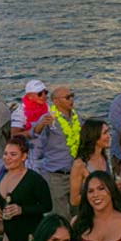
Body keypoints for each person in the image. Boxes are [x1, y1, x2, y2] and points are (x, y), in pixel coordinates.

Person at [32, 86, 81, 218]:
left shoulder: (77, 117)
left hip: (76, 174)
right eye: (67, 97)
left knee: (79, 214)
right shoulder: (48, 118)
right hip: (56, 175)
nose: (71, 100)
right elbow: (34, 135)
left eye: (72, 96)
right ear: (56, 101)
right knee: (61, 215)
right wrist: (40, 125)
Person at [69, 120, 111, 209]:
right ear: (94, 136)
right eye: (105, 133)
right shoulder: (80, 164)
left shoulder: (104, 158)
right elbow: (74, 200)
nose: (108, 136)